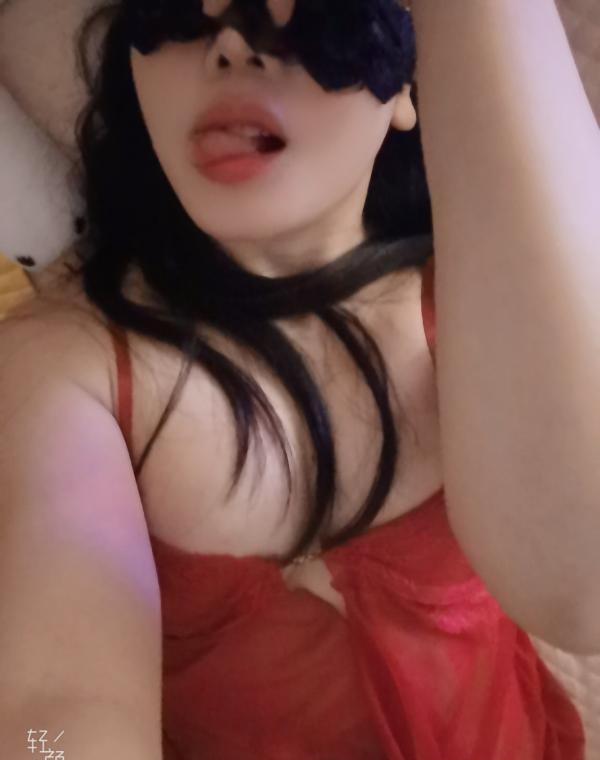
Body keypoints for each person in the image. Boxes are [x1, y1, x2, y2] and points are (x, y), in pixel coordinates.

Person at [1, 1, 596, 758]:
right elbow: (49, 713)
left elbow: (585, 582)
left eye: (321, 12)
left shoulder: (482, 312)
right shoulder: (64, 367)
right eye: (173, 8)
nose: (229, 45)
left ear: (406, 87)